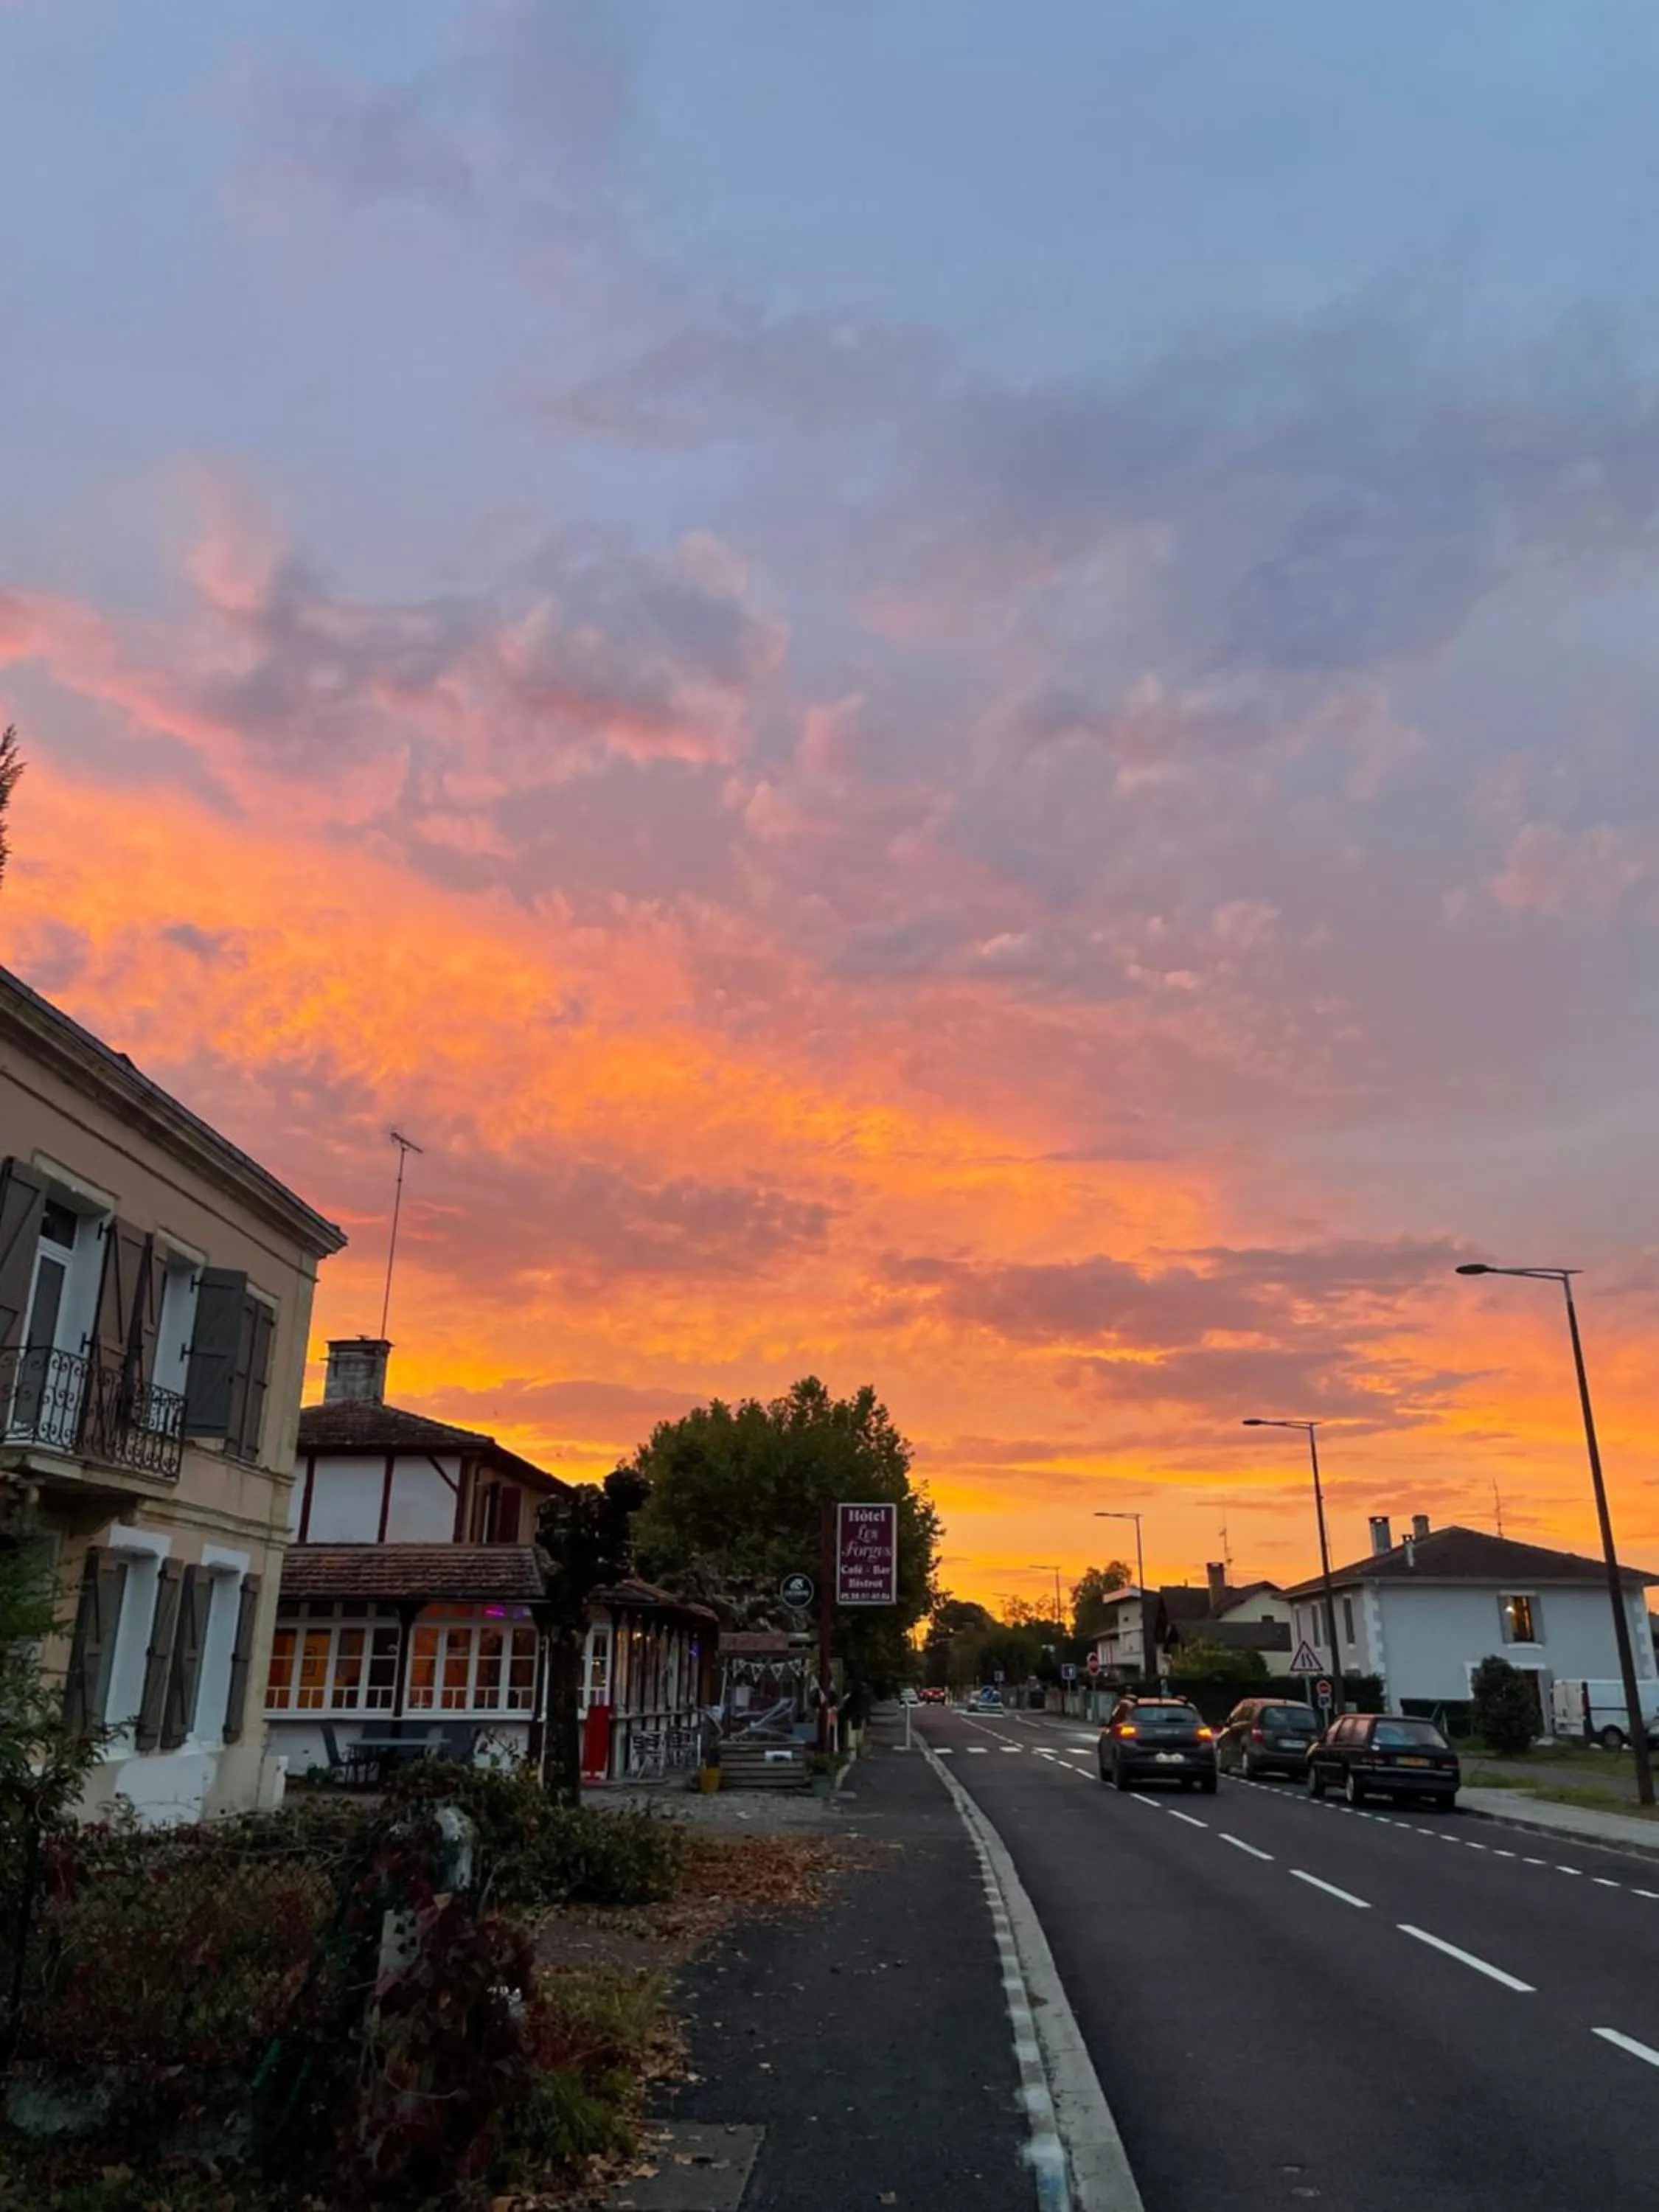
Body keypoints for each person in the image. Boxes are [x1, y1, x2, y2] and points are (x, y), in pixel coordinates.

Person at [842, 1678, 872, 1756]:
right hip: (860, 1718)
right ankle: (858, 1752)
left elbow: (847, 1708)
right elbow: (867, 1711)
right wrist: (868, 1722)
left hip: (852, 1718)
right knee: (858, 1737)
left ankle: (852, 1754)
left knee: (851, 1738)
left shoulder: (852, 1698)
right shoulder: (865, 1698)